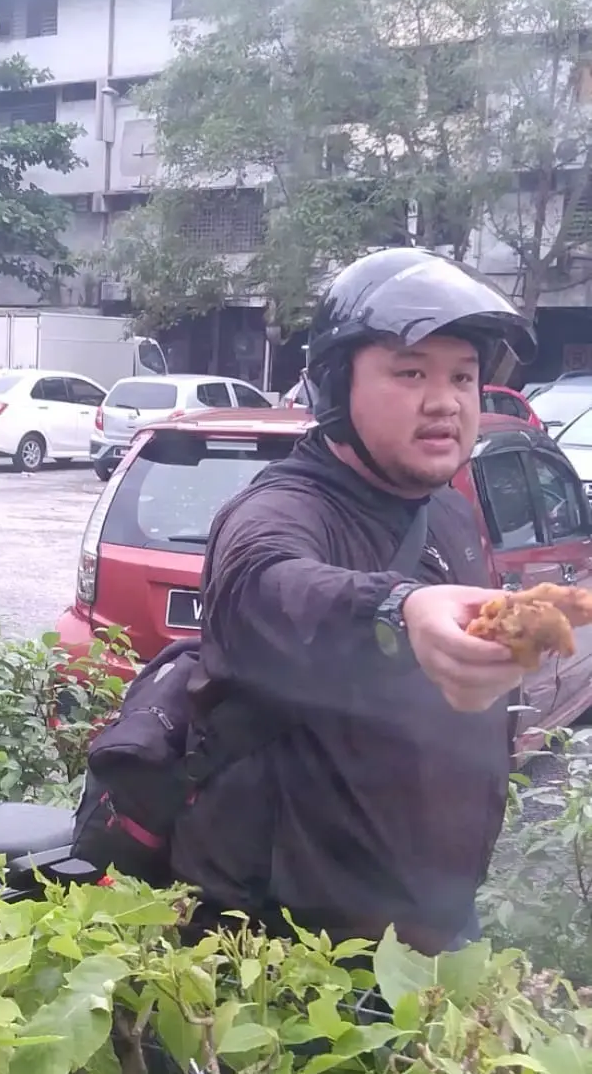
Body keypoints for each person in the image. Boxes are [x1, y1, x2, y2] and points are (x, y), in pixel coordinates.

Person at [171, 248, 536, 956]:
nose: (446, 400)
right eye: (410, 372)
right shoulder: (282, 508)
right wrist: (397, 610)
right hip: (305, 952)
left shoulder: (448, 512)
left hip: (437, 920)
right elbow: (262, 583)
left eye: (463, 375)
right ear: (337, 386)